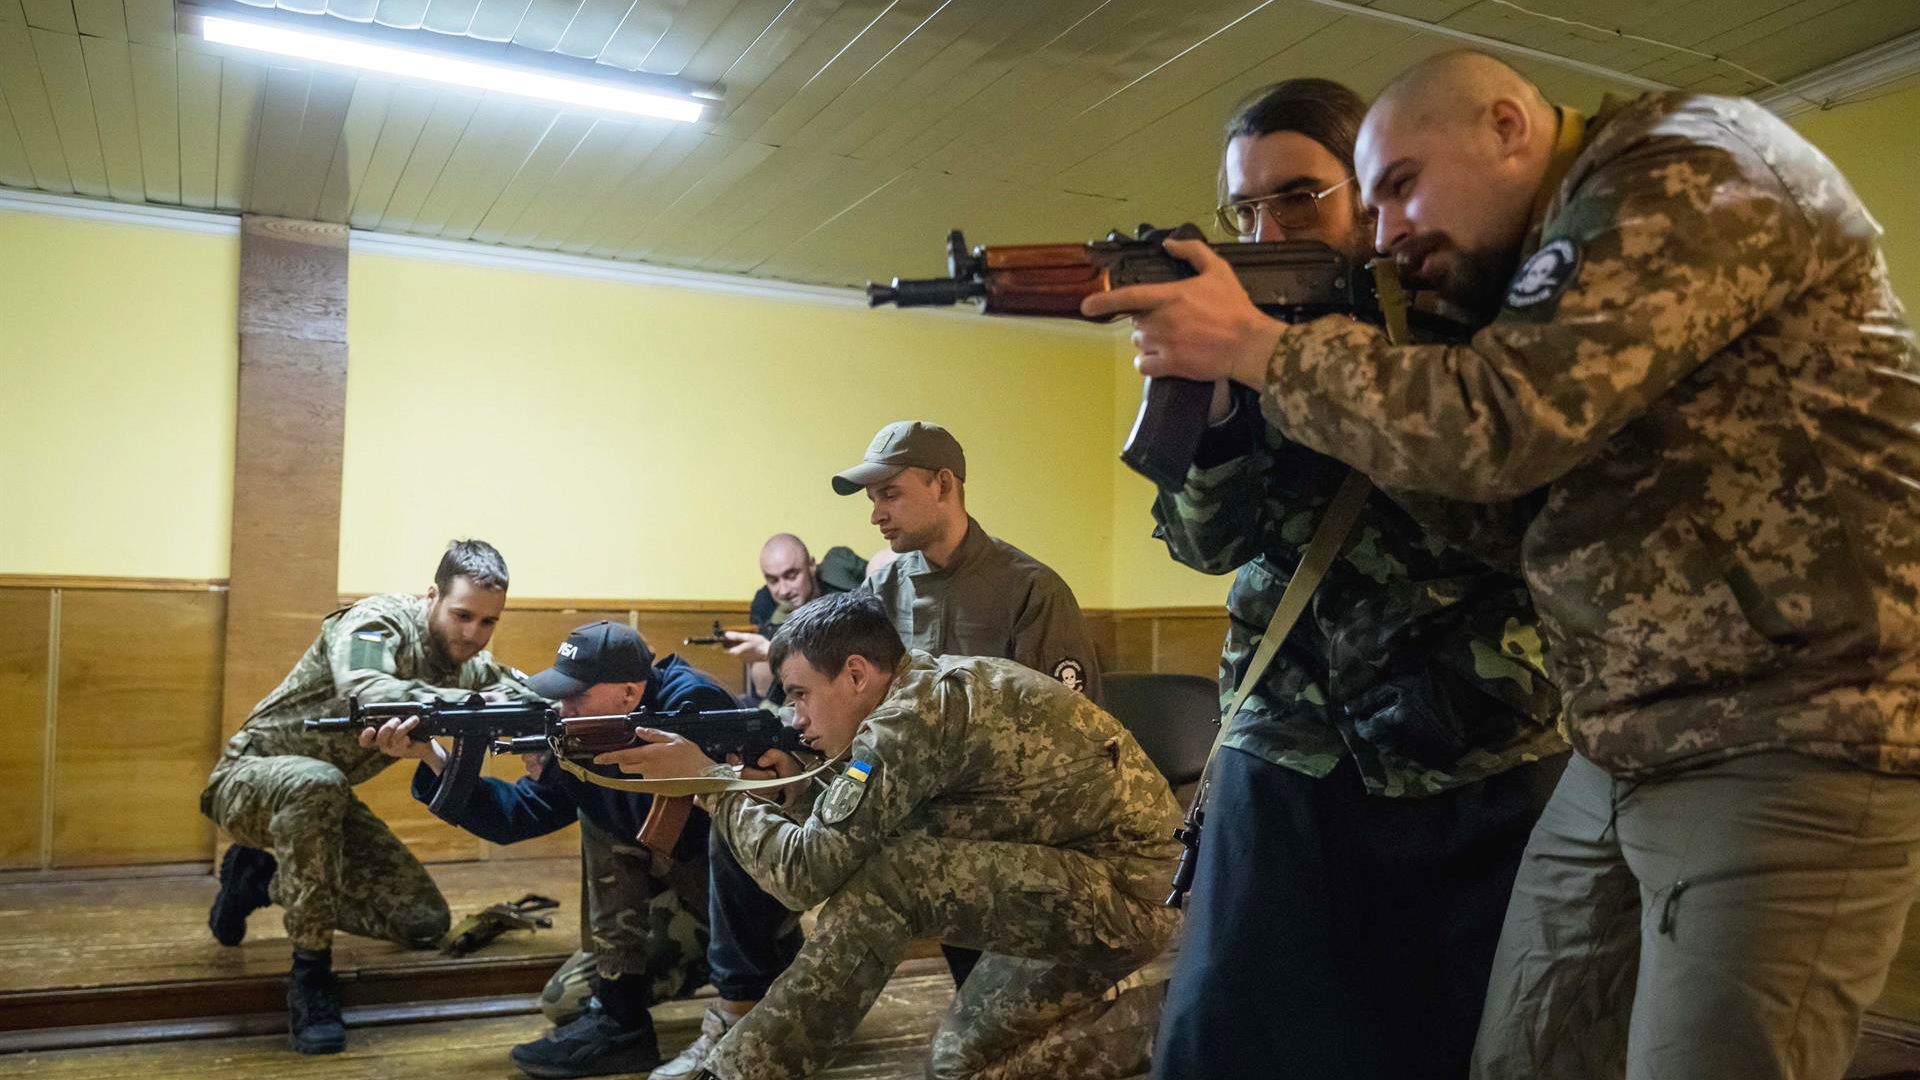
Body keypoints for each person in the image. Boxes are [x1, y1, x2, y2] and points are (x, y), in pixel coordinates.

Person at [1092, 48, 1920, 1080]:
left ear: (1507, 127)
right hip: (1425, 732)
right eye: (1244, 209)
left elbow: (1502, 438)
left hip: (1555, 732)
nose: (1387, 232)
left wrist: (1273, 352)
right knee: (1280, 1039)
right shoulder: (1412, 298)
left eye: (1324, 195)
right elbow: (1491, 513)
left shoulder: (1663, 180)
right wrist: (1222, 404)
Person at [1134, 78, 1567, 1080]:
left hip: (1475, 741)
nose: (1265, 230)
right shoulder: (1228, 331)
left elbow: (1498, 499)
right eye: (1244, 208)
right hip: (1285, 739)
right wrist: (1206, 400)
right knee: (1222, 1037)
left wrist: (1300, 363)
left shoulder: (1473, 310)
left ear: (1369, 195)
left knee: (1462, 1039)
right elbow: (1207, 544)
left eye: (1297, 197)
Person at [600, 592, 1181, 1080]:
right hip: (1086, 878)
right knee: (958, 1064)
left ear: (856, 673)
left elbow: (804, 875)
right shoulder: (914, 691)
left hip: (1134, 890)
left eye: (800, 694)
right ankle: (1165, 1021)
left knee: (892, 881)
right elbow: (873, 811)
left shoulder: (911, 718)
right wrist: (795, 788)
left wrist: (714, 784)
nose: (796, 718)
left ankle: (734, 1073)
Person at [200, 539, 531, 1054]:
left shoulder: (466, 666)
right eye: (462, 615)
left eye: (489, 622)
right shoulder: (378, 622)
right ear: (432, 597)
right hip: (247, 781)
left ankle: (258, 880)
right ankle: (310, 975)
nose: (473, 634)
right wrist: (473, 705)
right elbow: (366, 688)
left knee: (423, 922)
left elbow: (527, 692)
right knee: (317, 783)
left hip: (321, 804)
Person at [373, 620, 742, 1079]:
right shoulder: (588, 731)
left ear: (629, 694)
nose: (563, 709)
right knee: (565, 1000)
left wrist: (575, 769)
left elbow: (698, 829)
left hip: (734, 910)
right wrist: (433, 756)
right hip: (672, 899)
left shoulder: (694, 705)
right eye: (560, 696)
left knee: (600, 816)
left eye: (575, 696)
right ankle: (623, 1021)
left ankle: (747, 981)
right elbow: (516, 816)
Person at [727, 534, 867, 699]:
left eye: (791, 576)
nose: (784, 590)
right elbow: (762, 687)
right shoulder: (765, 602)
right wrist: (769, 654)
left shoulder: (840, 577)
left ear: (812, 565)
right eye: (773, 580)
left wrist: (775, 651)